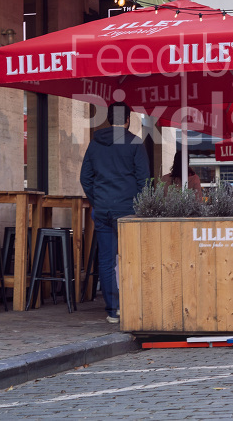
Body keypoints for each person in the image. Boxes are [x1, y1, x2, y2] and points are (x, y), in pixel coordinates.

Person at [80, 102, 150, 324]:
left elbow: (85, 178)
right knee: (131, 259)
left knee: (107, 260)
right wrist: (140, 204)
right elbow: (144, 181)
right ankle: (132, 305)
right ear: (128, 119)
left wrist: (97, 200)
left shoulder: (95, 144)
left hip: (102, 210)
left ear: (109, 119)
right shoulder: (134, 143)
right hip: (128, 211)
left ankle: (113, 310)